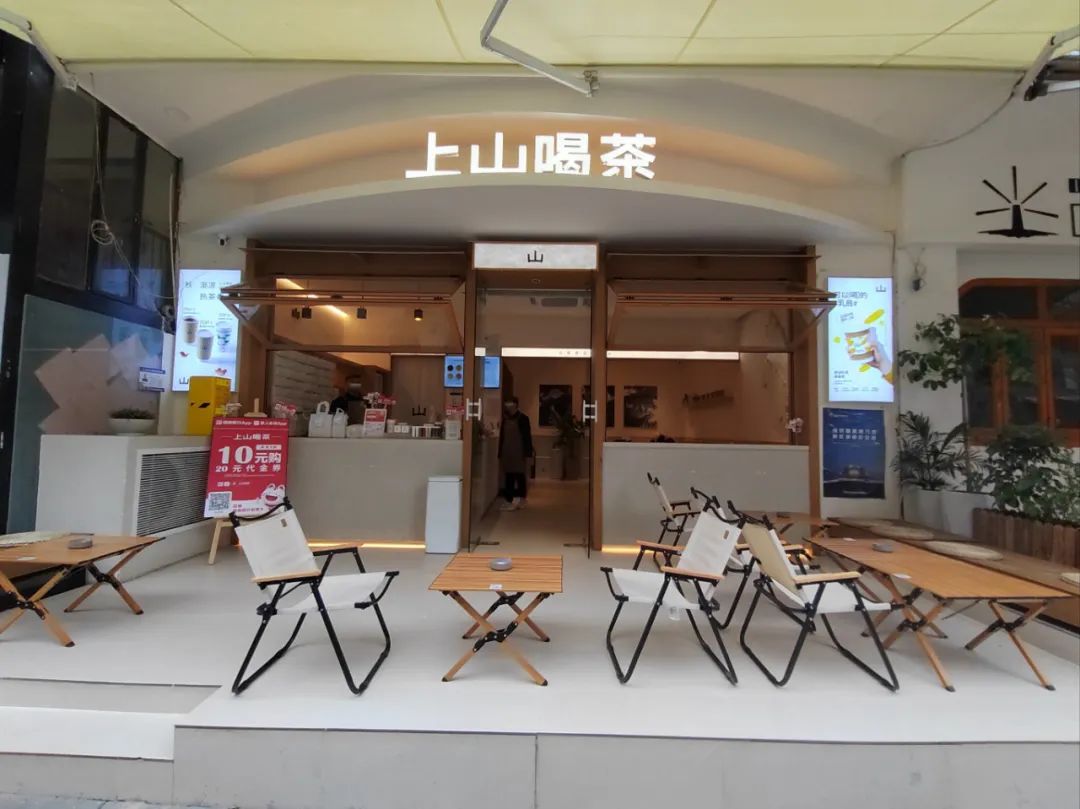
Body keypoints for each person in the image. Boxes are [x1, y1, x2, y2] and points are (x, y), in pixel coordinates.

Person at [498, 396, 533, 511]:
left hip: (519, 452)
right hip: (507, 451)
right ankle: (509, 500)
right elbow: (502, 437)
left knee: (519, 475)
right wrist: (500, 453)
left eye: (509, 403)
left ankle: (521, 499)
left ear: (515, 405)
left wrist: (528, 453)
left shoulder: (523, 418)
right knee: (508, 476)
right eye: (506, 403)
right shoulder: (505, 419)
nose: (507, 406)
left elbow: (527, 437)